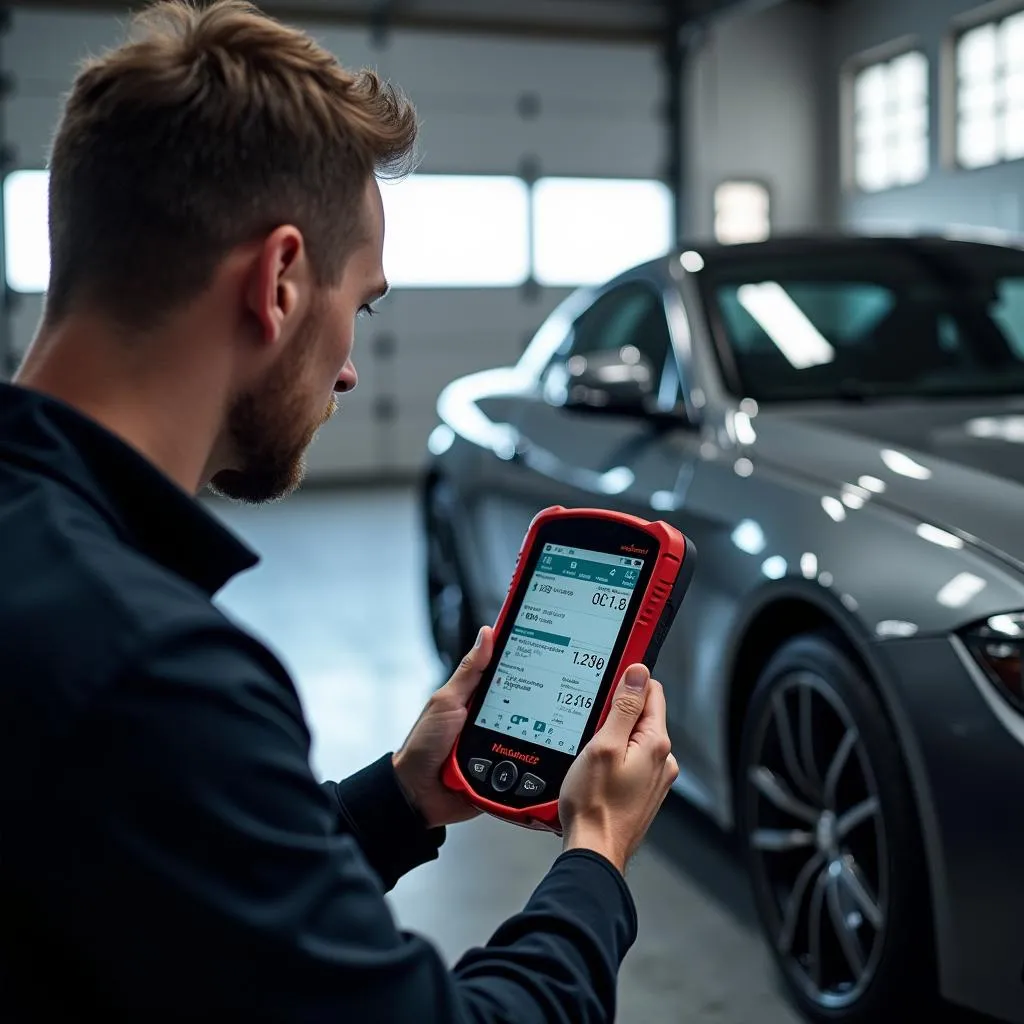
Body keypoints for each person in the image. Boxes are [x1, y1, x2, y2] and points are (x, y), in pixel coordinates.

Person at [0, 1, 679, 1020]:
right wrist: (596, 857)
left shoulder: (50, 575)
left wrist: (398, 800)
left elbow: (178, 886)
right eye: (359, 305)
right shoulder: (149, 670)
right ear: (278, 281)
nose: (353, 368)